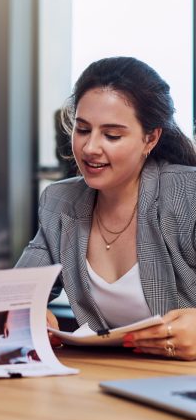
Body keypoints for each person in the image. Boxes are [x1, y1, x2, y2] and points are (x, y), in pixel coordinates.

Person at [17, 56, 196, 361]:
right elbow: (16, 297)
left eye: (112, 135)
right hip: (110, 381)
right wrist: (29, 314)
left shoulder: (187, 194)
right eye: (83, 129)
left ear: (150, 138)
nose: (89, 148)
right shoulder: (59, 202)